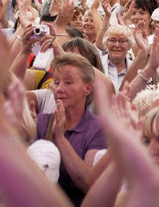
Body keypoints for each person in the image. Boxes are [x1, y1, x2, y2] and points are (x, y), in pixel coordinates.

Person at [36, 54, 106, 205]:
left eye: (68, 82)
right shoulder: (41, 122)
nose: (59, 89)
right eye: (56, 82)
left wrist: (60, 138)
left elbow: (88, 183)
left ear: (87, 89)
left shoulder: (98, 128)